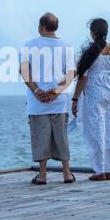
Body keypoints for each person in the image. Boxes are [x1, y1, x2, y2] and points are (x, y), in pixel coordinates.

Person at [20, 12, 76, 185]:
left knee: (40, 137)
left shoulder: (28, 46)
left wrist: (37, 91)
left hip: (37, 103)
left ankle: (42, 175)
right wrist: (56, 91)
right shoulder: (67, 47)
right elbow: (71, 73)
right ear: (56, 27)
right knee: (61, 138)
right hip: (59, 102)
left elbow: (23, 71)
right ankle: (67, 173)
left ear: (41, 27)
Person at [72, 18, 110, 181]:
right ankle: (109, 169)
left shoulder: (90, 51)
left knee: (96, 132)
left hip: (95, 95)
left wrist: (75, 98)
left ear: (92, 33)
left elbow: (83, 79)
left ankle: (99, 170)